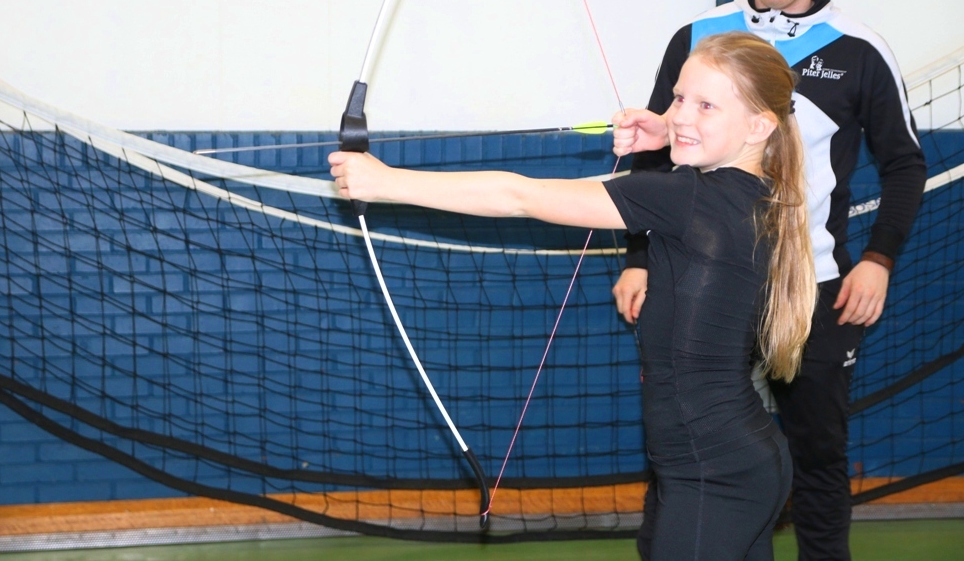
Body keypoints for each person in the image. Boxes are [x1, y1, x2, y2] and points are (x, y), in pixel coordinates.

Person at [333, 32, 815, 560]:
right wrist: (678, 130)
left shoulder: (685, 198)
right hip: (740, 461)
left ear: (759, 126)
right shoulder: (758, 192)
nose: (679, 114)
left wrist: (386, 183)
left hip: (712, 474)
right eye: (679, 98)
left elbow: (518, 197)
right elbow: (710, 142)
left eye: (705, 106)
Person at [614, 0, 927, 560]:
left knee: (817, 453)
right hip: (704, 286)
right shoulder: (699, 36)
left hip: (812, 286)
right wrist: (638, 259)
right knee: (683, 450)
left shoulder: (860, 49)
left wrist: (878, 260)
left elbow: (905, 164)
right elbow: (654, 151)